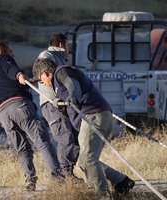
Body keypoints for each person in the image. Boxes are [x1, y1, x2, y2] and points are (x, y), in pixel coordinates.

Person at [32, 58, 135, 200]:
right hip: (97, 117)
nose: (42, 83)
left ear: (44, 73)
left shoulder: (60, 72)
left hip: (93, 117)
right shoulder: (58, 84)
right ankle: (121, 182)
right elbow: (71, 107)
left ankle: (103, 196)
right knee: (85, 160)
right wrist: (63, 107)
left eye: (41, 80)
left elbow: (72, 84)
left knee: (87, 160)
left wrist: (72, 96)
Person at [0, 42, 62, 191]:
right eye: (11, 51)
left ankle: (30, 179)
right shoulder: (3, 60)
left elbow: (5, 86)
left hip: (3, 114)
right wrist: (20, 75)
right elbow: (11, 69)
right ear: (2, 52)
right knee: (43, 142)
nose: (13, 55)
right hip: (20, 106)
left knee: (22, 149)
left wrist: (30, 80)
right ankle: (58, 179)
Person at [35, 33, 80, 177]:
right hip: (52, 104)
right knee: (65, 137)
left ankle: (68, 172)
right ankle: (64, 177)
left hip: (65, 104)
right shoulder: (47, 55)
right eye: (68, 45)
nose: (69, 49)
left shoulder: (62, 60)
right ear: (61, 45)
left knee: (77, 138)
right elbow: (42, 70)